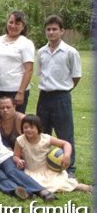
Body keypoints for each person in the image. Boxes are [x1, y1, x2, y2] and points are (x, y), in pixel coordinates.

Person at [36, 14, 81, 177]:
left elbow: (76, 76)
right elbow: (40, 73)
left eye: (55, 29)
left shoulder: (70, 52)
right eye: (48, 29)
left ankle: (69, 169)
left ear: (62, 31)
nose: (51, 32)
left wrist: (64, 89)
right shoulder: (41, 52)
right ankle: (42, 165)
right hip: (44, 96)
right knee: (42, 132)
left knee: (65, 133)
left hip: (61, 96)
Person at [13, 114, 92, 193]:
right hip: (32, 171)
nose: (28, 130)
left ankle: (79, 186)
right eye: (25, 127)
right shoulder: (20, 140)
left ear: (38, 128)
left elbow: (66, 144)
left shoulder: (46, 138)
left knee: (60, 182)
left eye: (31, 127)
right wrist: (18, 160)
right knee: (34, 184)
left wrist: (67, 156)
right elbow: (16, 155)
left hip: (48, 170)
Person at [0, 11, 35, 118]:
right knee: (0, 121)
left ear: (23, 26)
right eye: (11, 22)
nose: (13, 26)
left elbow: (29, 69)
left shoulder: (26, 43)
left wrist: (21, 92)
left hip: (15, 90)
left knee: (16, 121)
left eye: (17, 24)